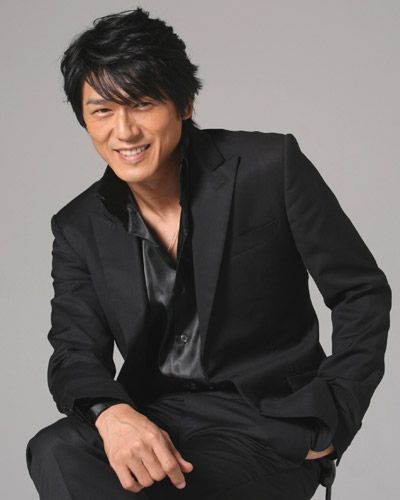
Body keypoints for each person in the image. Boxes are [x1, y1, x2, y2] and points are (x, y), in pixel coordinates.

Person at [25, 7, 392, 500]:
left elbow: (360, 292)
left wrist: (335, 413)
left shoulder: (269, 168)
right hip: (156, 414)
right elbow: (73, 352)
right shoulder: (78, 226)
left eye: (142, 103)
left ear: (184, 103)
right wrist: (111, 414)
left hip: (267, 421)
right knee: (55, 450)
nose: (124, 131)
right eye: (103, 111)